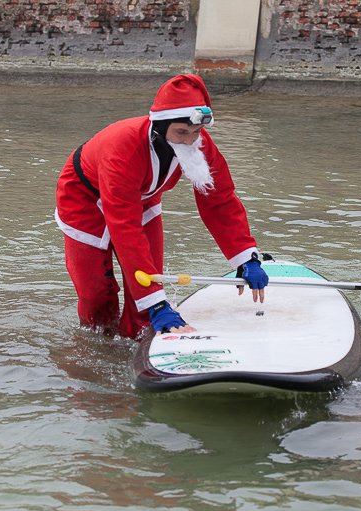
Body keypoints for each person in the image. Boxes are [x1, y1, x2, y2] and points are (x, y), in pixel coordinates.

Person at [55, 74, 268, 339]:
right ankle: (98, 341)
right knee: (96, 291)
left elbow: (220, 199)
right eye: (181, 132)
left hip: (143, 196)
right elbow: (126, 228)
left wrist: (246, 256)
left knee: (147, 281)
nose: (190, 140)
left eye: (196, 132)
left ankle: (137, 339)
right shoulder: (123, 149)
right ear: (159, 127)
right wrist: (155, 303)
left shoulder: (197, 142)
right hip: (84, 199)